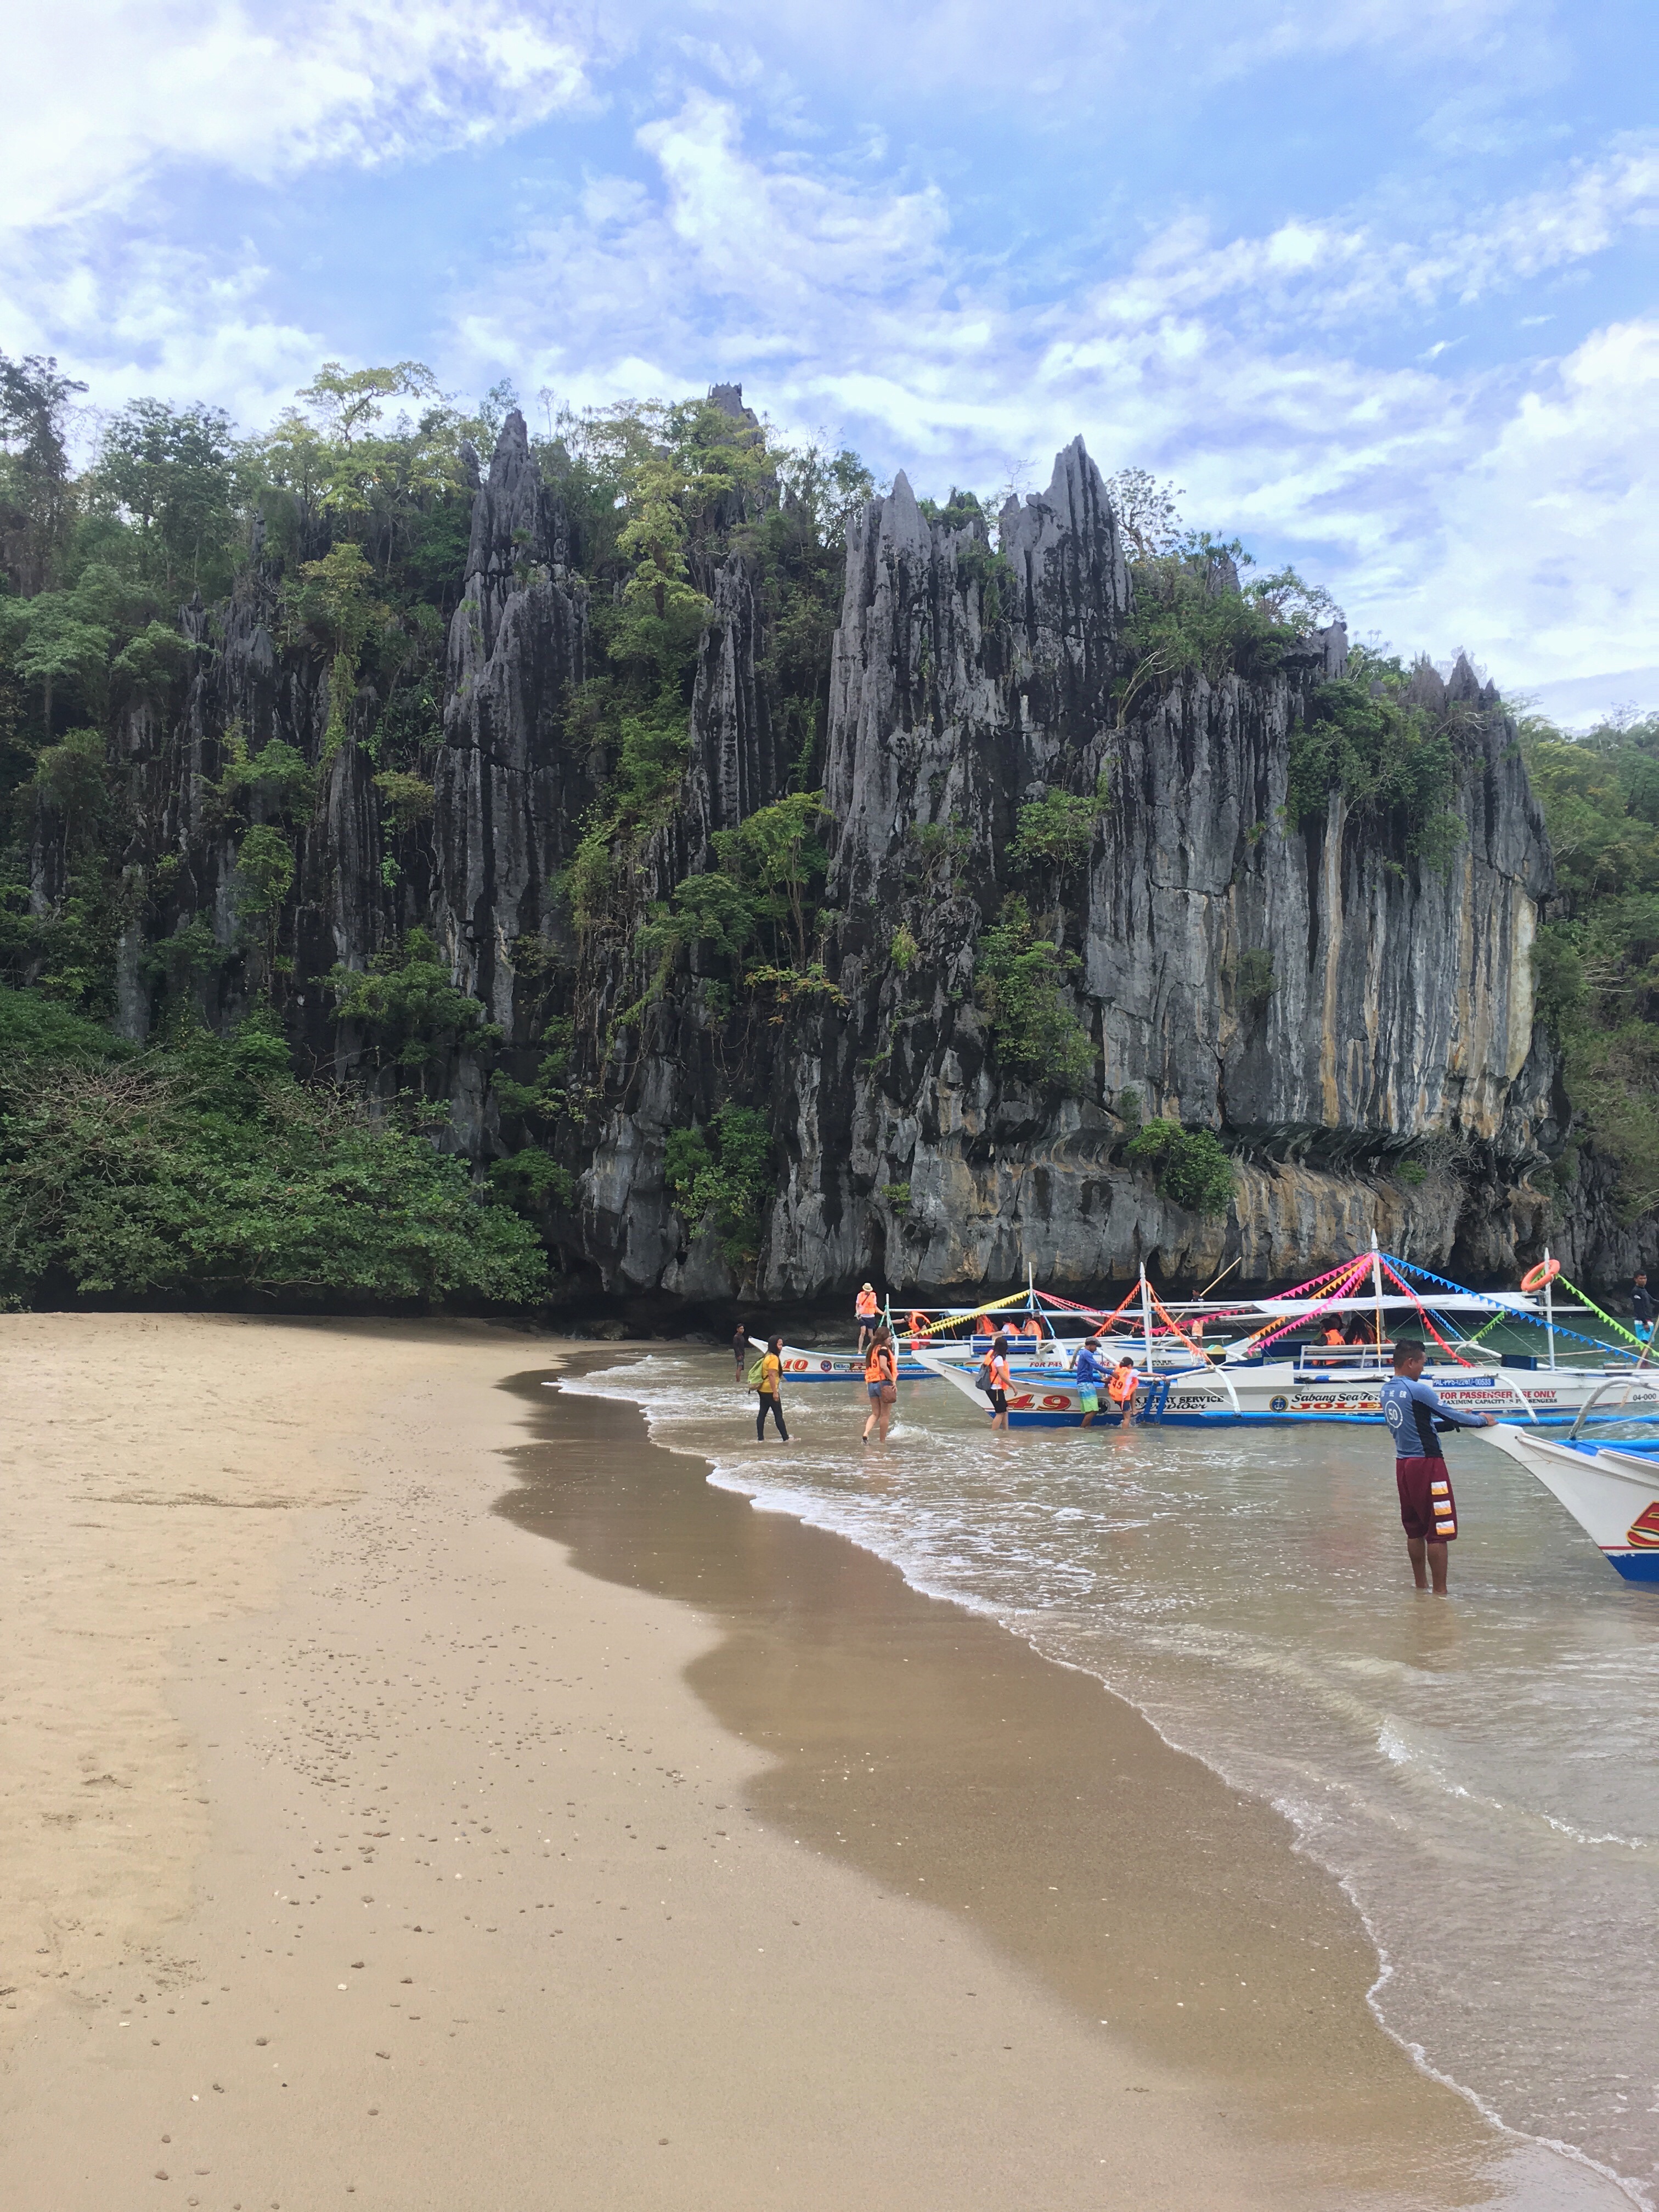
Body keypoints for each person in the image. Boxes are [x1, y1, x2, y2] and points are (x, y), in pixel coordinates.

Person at [1379, 1339, 1496, 1595]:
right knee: (1438, 1531)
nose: (1424, 1369)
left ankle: (1421, 1587)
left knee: (1414, 1530)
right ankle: (1441, 1594)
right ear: (1411, 1362)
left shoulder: (1386, 1391)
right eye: (1423, 1363)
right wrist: (1480, 1420)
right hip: (1428, 1464)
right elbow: (1451, 1414)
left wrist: (1455, 1423)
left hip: (1403, 1464)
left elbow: (1420, 1425)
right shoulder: (1417, 1390)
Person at [862, 1325, 898, 1443]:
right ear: (884, 1338)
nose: (891, 1339)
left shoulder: (872, 1350)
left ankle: (866, 1433)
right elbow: (883, 1366)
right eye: (889, 1337)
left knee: (875, 1413)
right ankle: (882, 1442)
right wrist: (893, 1380)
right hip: (884, 1383)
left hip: (871, 1384)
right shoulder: (883, 1350)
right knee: (885, 1415)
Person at [755, 1335, 789, 1442]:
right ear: (775, 1345)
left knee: (762, 1413)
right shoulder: (774, 1358)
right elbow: (772, 1375)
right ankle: (786, 1438)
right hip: (770, 1390)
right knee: (778, 1414)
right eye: (780, 1345)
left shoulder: (767, 1356)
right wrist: (775, 1392)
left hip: (762, 1389)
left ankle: (760, 1439)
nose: (781, 1347)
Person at [1074, 1336, 1106, 1428]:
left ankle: (1087, 1430)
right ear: (1091, 1345)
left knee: (1088, 1411)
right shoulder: (1087, 1353)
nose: (1096, 1349)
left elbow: (1086, 1374)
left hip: (1083, 1384)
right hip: (1086, 1385)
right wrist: (1111, 1373)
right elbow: (1095, 1365)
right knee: (1094, 1410)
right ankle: (1082, 1429)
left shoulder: (1083, 1354)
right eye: (1095, 1347)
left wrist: (1099, 1380)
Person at [984, 1331, 1013, 1431]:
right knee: (1000, 1413)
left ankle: (1006, 1431)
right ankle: (994, 1433)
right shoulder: (999, 1358)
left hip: (991, 1387)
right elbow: (1002, 1375)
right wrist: (1013, 1387)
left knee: (1005, 1409)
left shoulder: (991, 1353)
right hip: (996, 1389)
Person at [1107, 1357, 1139, 1422]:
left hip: (1115, 1396)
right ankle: (1125, 1430)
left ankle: (1133, 1410)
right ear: (1130, 1366)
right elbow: (1147, 1374)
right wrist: (1158, 1375)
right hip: (1123, 1398)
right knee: (1127, 1419)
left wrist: (1106, 1381)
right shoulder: (1130, 1372)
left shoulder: (1118, 1370)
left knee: (1133, 1391)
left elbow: (1111, 1378)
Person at [855, 1282, 879, 1351]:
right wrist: (858, 1313)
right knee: (863, 1332)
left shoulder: (873, 1296)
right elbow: (857, 1306)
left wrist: (883, 1313)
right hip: (862, 1316)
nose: (868, 1292)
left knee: (871, 1335)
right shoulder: (860, 1295)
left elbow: (875, 1307)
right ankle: (860, 1350)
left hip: (871, 1317)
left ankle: (874, 1349)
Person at [1633, 1272, 1654, 1341]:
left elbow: (1653, 1301)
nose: (1643, 1280)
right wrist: (1645, 1323)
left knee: (1648, 1342)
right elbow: (1638, 1309)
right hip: (1643, 1321)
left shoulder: (1644, 1290)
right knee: (1645, 1342)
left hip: (1647, 1320)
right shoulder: (1636, 1292)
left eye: (1645, 1278)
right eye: (1641, 1279)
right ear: (1636, 1280)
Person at [732, 1319, 752, 1383]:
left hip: (742, 1354)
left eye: (743, 1329)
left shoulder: (741, 1336)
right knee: (739, 1367)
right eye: (741, 1329)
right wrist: (738, 1355)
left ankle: (739, 1380)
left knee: (740, 1368)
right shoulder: (736, 1337)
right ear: (737, 1329)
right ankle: (738, 1381)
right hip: (739, 1354)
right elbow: (735, 1347)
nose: (742, 1330)